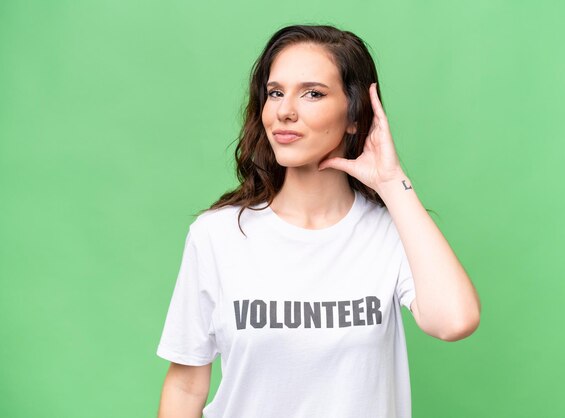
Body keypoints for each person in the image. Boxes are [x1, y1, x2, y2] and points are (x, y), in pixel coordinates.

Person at [156, 24, 481, 418]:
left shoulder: (393, 230)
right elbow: (187, 385)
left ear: (356, 115)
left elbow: (455, 320)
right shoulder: (217, 234)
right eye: (275, 92)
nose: (284, 111)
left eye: (312, 93)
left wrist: (393, 183)